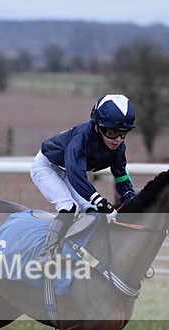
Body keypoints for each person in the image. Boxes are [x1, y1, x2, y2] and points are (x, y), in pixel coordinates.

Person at [30, 94, 137, 260]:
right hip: (47, 167)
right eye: (112, 132)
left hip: (70, 172)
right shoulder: (80, 139)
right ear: (97, 127)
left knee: (92, 212)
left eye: (123, 134)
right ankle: (47, 253)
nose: (117, 140)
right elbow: (76, 175)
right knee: (68, 207)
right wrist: (99, 200)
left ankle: (80, 252)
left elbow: (121, 175)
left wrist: (131, 195)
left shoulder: (118, 148)